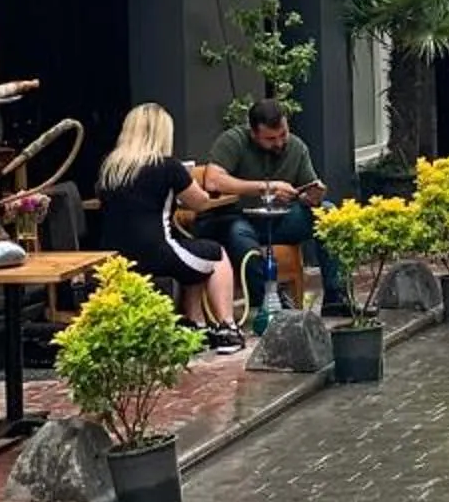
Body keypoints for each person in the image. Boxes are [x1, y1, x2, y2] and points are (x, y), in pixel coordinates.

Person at [96, 104, 248, 349]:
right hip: (156, 252)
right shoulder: (167, 166)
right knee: (215, 254)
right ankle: (227, 328)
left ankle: (194, 324)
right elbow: (199, 202)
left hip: (114, 257)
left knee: (194, 253)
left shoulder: (110, 168)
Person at [198, 97, 350, 314]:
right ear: (253, 133)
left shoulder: (296, 148)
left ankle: (336, 297)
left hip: (279, 219)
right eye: (270, 139)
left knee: (327, 212)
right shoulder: (234, 141)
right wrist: (266, 188)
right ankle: (271, 304)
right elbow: (213, 180)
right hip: (240, 217)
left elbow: (309, 189)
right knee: (239, 234)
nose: (279, 143)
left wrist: (311, 197)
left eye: (283, 135)